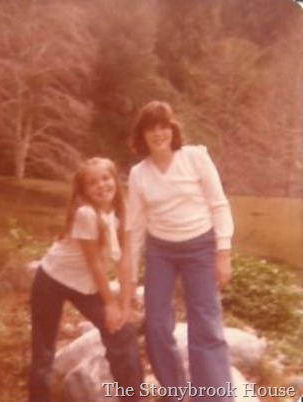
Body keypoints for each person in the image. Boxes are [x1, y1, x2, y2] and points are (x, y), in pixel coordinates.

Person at [126, 101, 234, 401]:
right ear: (142, 135)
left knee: (205, 323)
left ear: (173, 129)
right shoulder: (138, 174)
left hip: (200, 248)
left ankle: (213, 395)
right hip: (160, 252)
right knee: (156, 324)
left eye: (164, 126)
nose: (158, 133)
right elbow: (135, 229)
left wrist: (223, 253)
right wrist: (130, 278)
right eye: (151, 128)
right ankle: (175, 391)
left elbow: (219, 205)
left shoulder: (195, 157)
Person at [29, 157, 143, 402]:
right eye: (92, 182)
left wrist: (124, 306)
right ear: (84, 191)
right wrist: (110, 304)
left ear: (115, 180)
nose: (101, 185)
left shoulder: (122, 214)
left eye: (105, 178)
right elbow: (96, 264)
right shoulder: (86, 214)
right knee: (44, 349)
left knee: (122, 331)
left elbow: (124, 261)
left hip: (84, 285)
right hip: (52, 280)